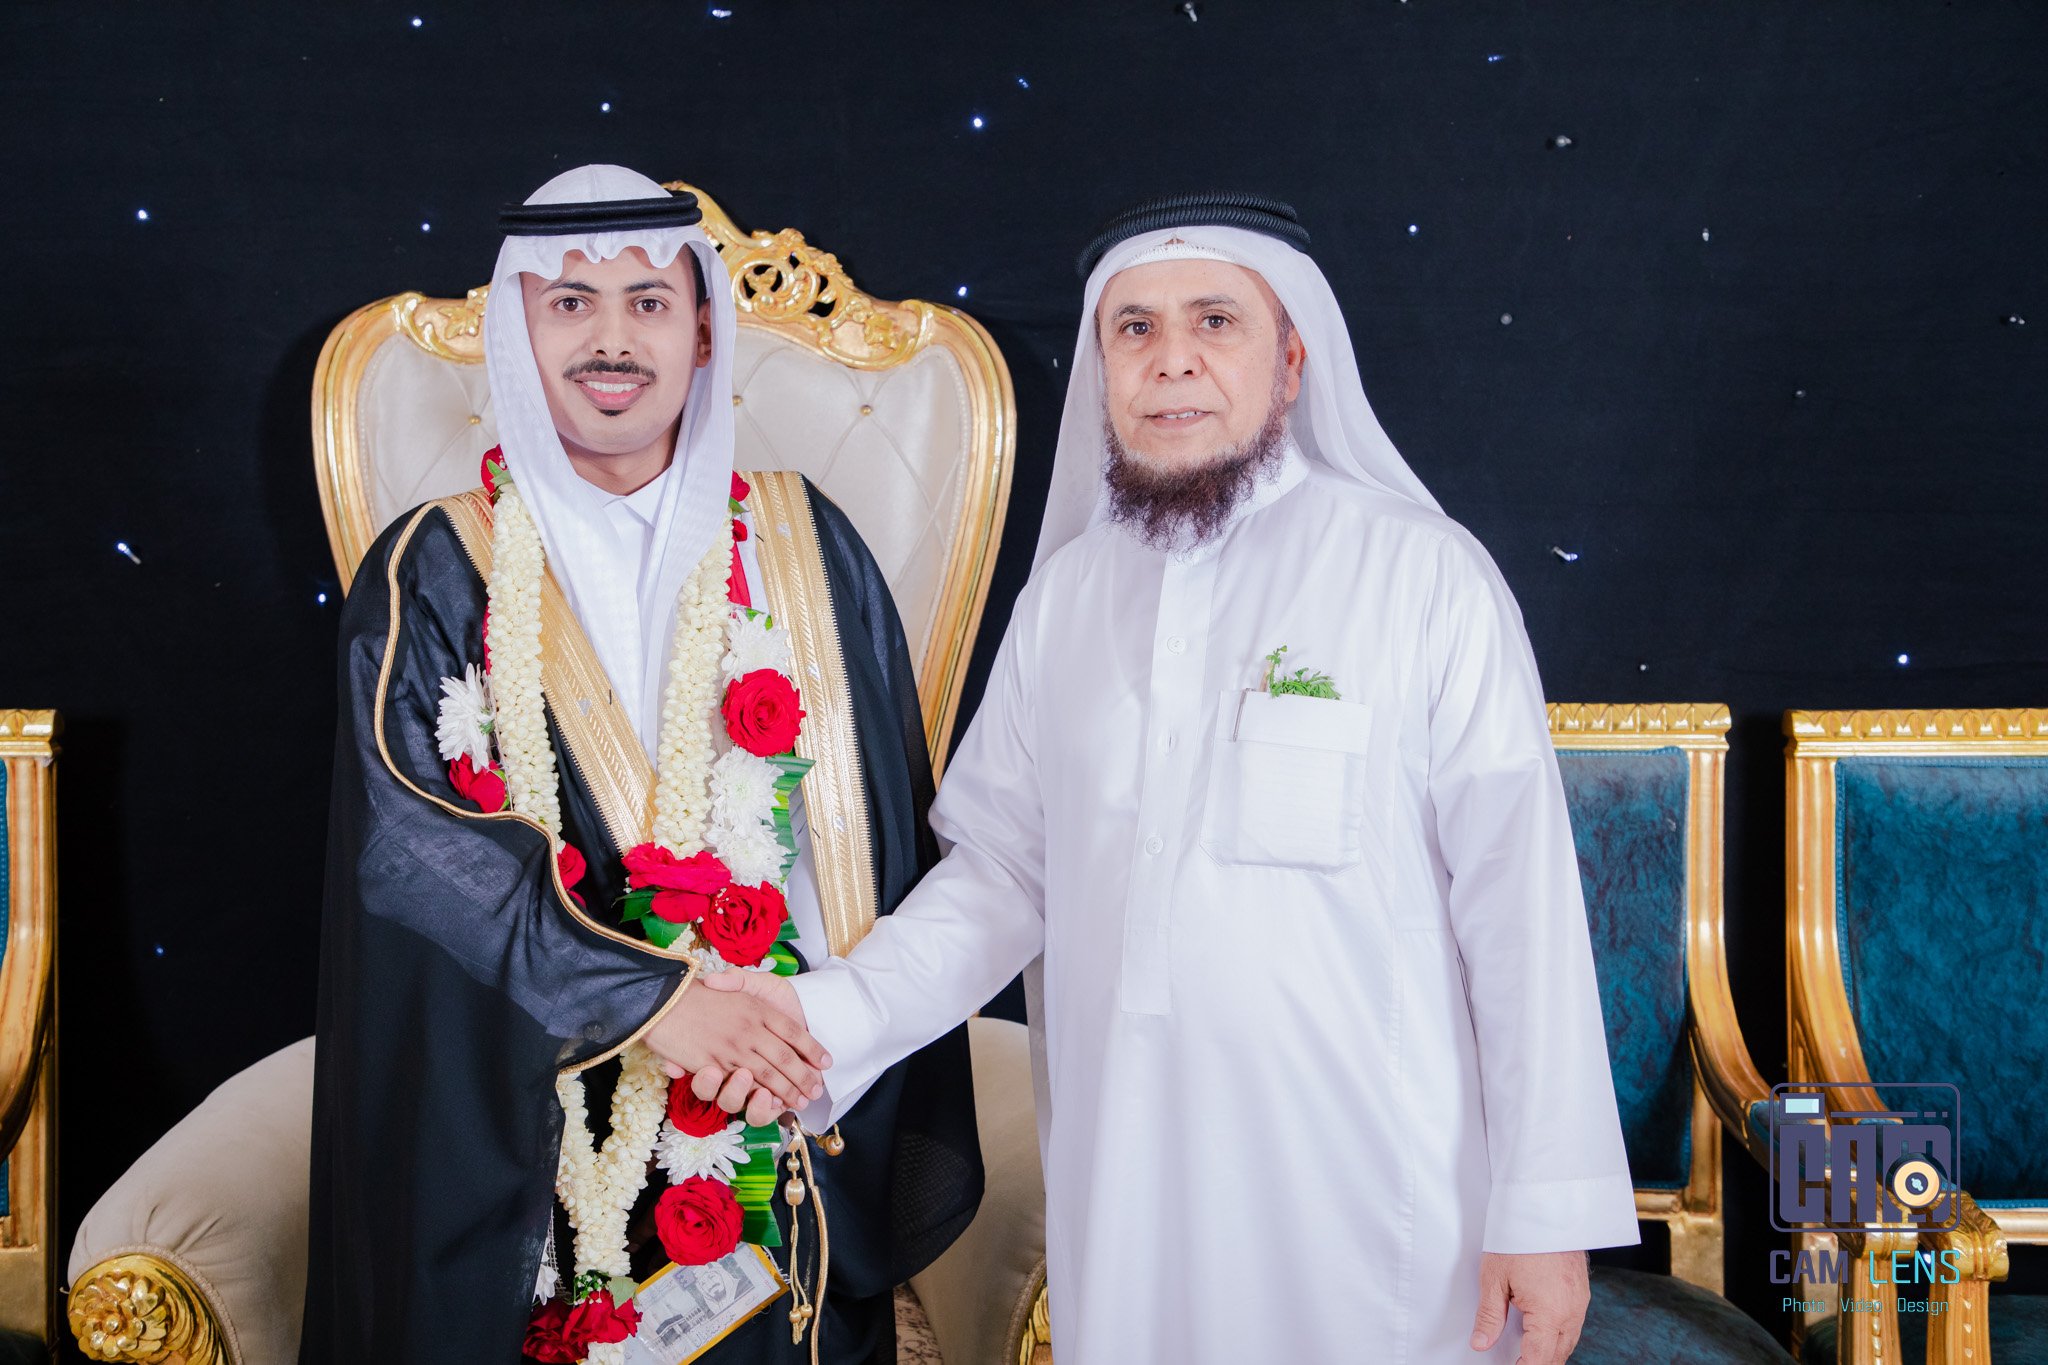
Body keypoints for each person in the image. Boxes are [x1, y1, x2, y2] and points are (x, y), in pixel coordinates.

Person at [702, 194, 1638, 1364]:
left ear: (1290, 363)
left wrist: (1543, 1212)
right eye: (1133, 328)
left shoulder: (1421, 578)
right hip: (1130, 1192)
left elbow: (1520, 911)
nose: (1171, 359)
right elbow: (1000, 879)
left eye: (1214, 321)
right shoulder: (1066, 602)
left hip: (1373, 1206)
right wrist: (823, 1017)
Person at [303, 164, 981, 1365]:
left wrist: (794, 1043)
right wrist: (654, 1003)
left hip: (772, 1122)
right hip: (540, 1140)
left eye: (648, 302)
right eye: (570, 302)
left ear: (703, 333)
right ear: (516, 331)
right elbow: (404, 844)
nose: (610, 339)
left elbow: (880, 840)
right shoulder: (435, 565)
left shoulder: (804, 540)